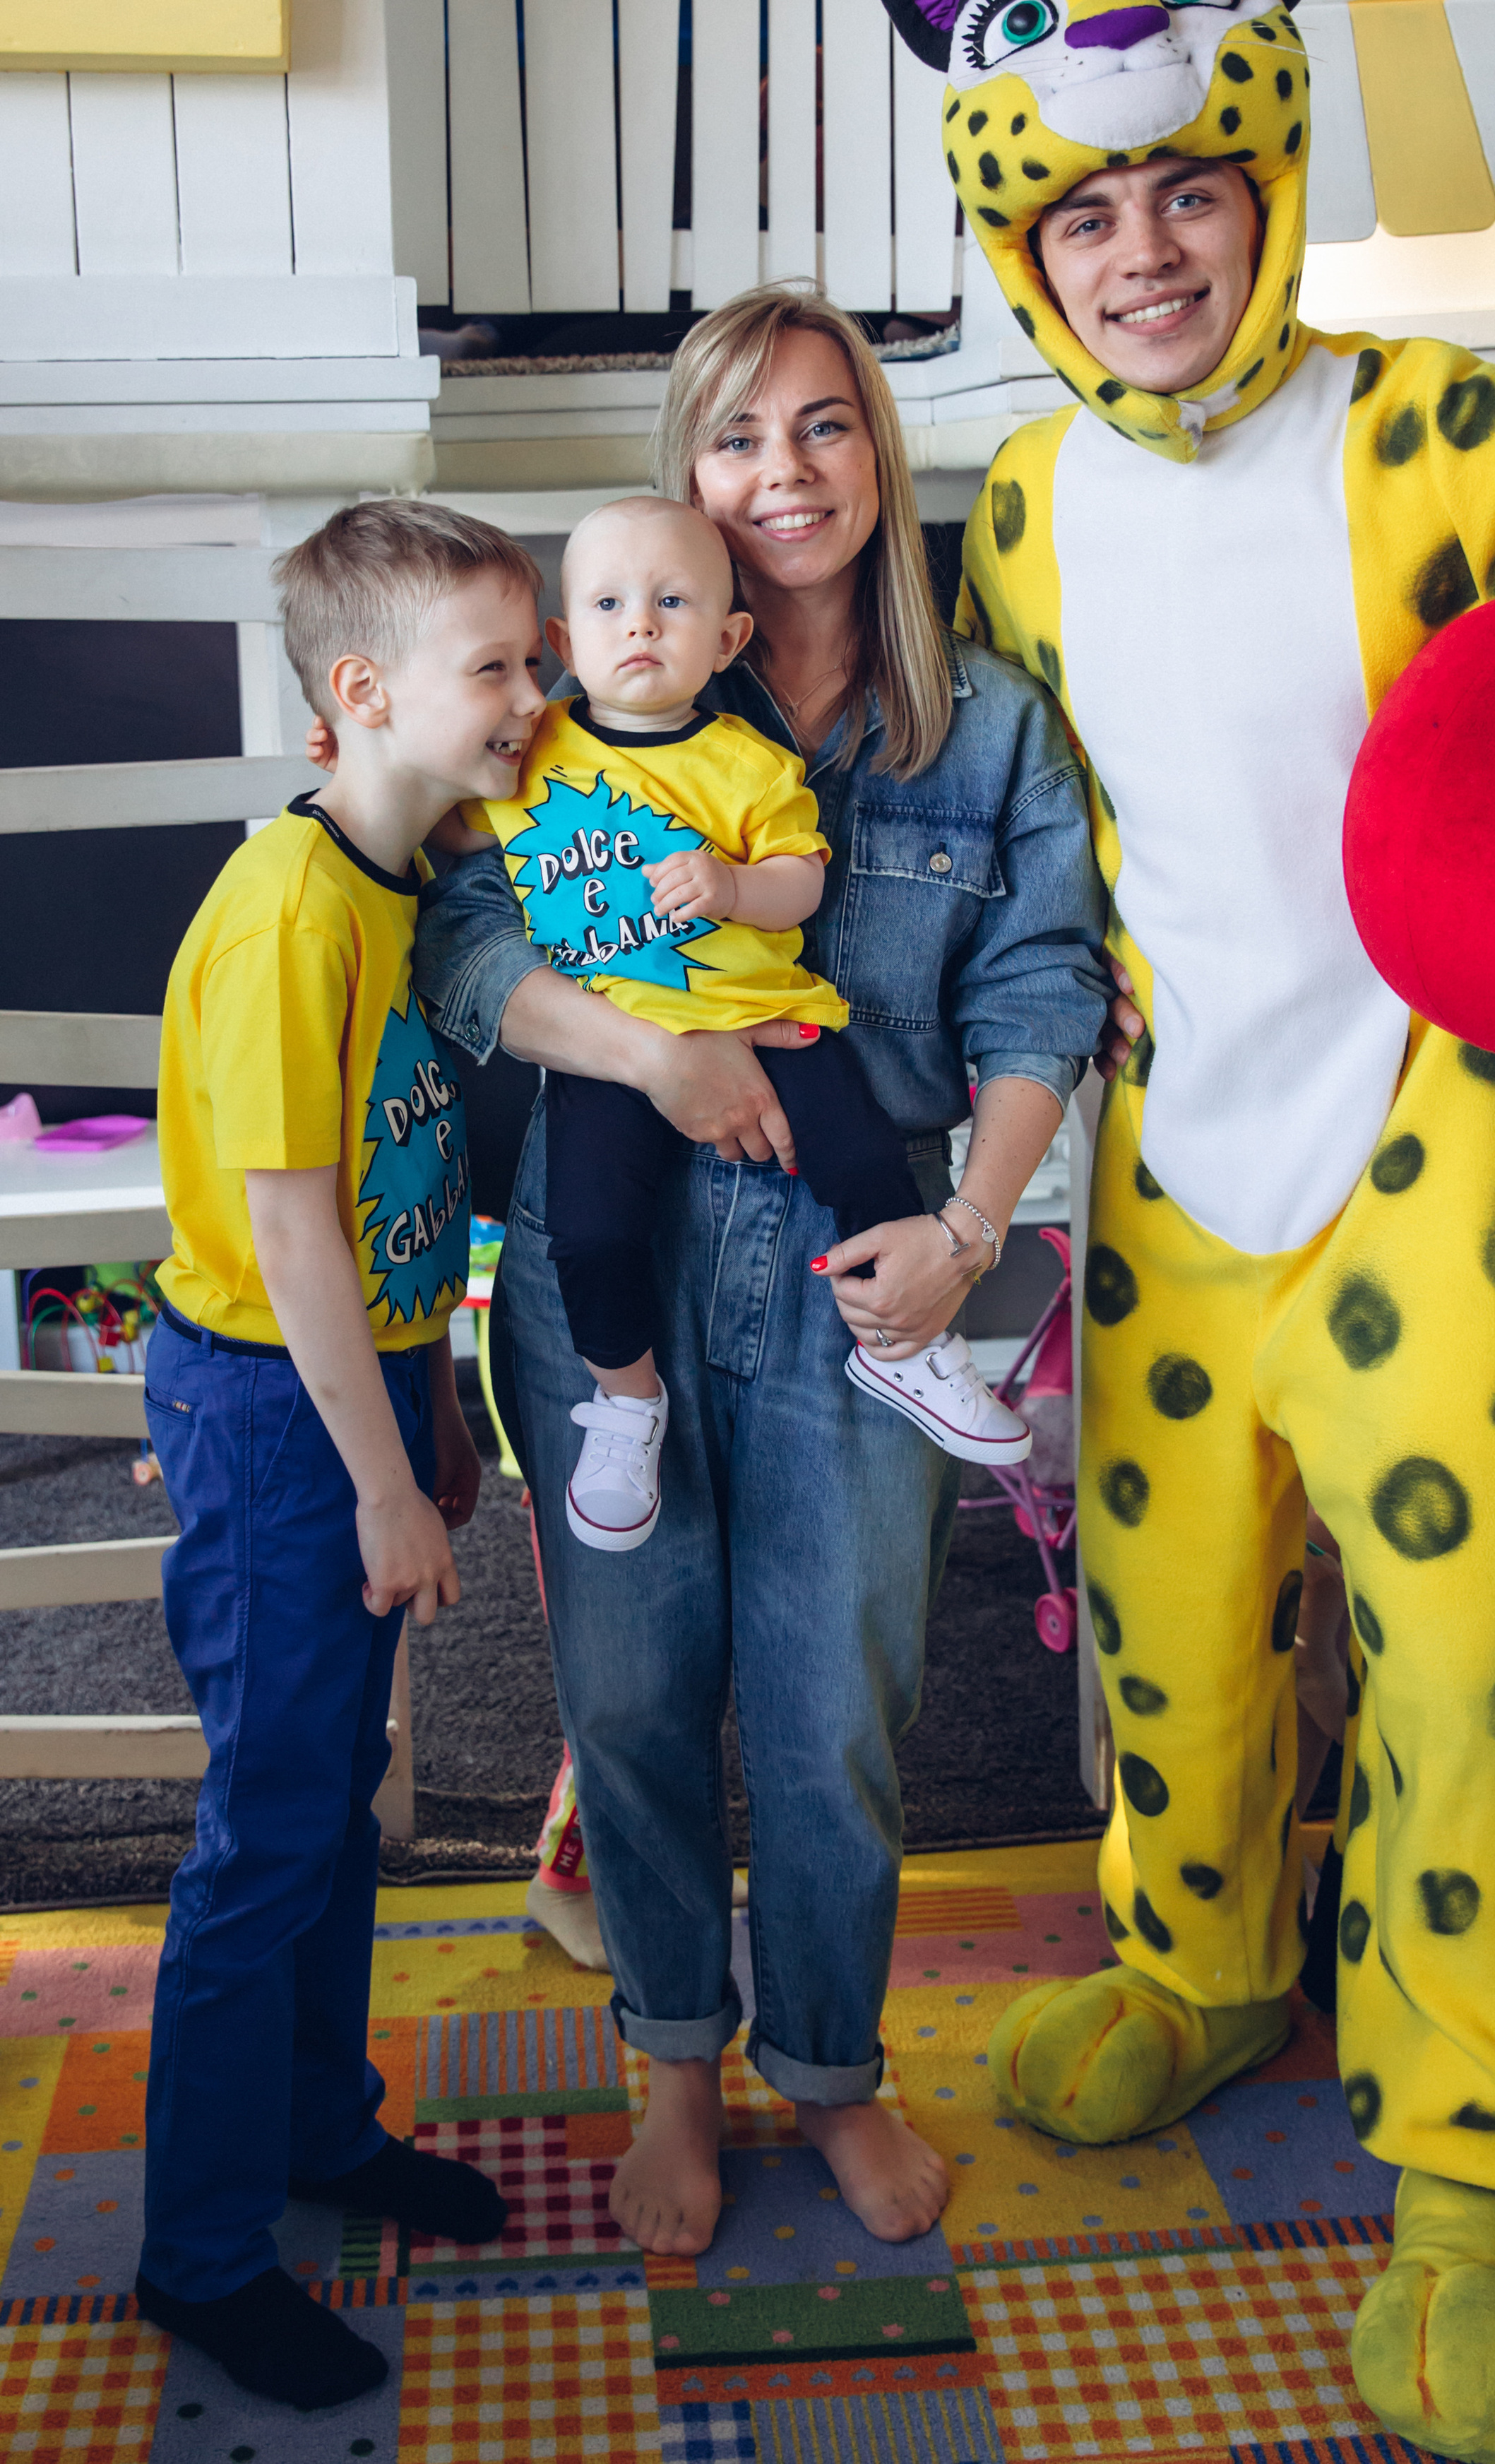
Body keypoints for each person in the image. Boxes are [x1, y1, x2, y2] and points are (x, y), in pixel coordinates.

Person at [864, 0, 1495, 2461]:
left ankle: (1483, 2168)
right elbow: (1044, 821)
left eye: (1193, 189)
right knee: (1171, 1634)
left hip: (1455, 1199)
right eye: (1089, 209)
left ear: (1270, 181)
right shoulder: (1028, 508)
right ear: (1022, 241)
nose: (1147, 251)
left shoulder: (1439, 423)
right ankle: (1200, 1967)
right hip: (1162, 1183)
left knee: (1477, 1709)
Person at [410, 283, 1110, 2258]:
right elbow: (468, 951)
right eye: (737, 436)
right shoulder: (562, 725)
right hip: (602, 1253)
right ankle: (670, 2073)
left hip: (858, 1271)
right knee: (628, 1696)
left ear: (877, 454)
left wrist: (968, 1237)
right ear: (684, 484)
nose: (783, 473)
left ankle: (833, 2070)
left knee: (835, 1710)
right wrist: (656, 1052)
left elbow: (1042, 991)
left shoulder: (986, 732)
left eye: (822, 427)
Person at [134, 503, 544, 2410]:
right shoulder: (294, 908)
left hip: (364, 1381)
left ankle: (322, 2126)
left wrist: (438, 1401)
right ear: (362, 692)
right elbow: (297, 1228)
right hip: (272, 1407)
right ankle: (201, 2253)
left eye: (534, 663)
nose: (532, 698)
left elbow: (408, 1214)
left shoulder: (412, 887)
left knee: (334, 1816)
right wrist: (375, 1477)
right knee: (268, 1832)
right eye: (500, 667)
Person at [436, 494, 1030, 1550]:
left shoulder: (748, 764)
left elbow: (803, 883)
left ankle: (913, 1350)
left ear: (728, 637)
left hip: (772, 1017)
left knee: (865, 1163)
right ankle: (626, 1405)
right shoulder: (534, 751)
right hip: (615, 1053)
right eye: (611, 605)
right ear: (564, 640)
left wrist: (731, 887)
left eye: (673, 604)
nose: (642, 626)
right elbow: (447, 818)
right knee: (591, 1229)